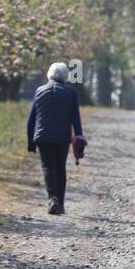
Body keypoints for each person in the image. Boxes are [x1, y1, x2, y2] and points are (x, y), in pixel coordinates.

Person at [26, 62, 85, 215]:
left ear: (49, 74)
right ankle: (61, 203)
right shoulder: (71, 92)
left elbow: (31, 119)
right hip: (61, 136)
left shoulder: (39, 90)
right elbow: (75, 118)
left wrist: (30, 142)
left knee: (47, 166)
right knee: (60, 167)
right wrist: (78, 136)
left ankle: (52, 199)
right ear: (66, 76)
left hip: (42, 136)